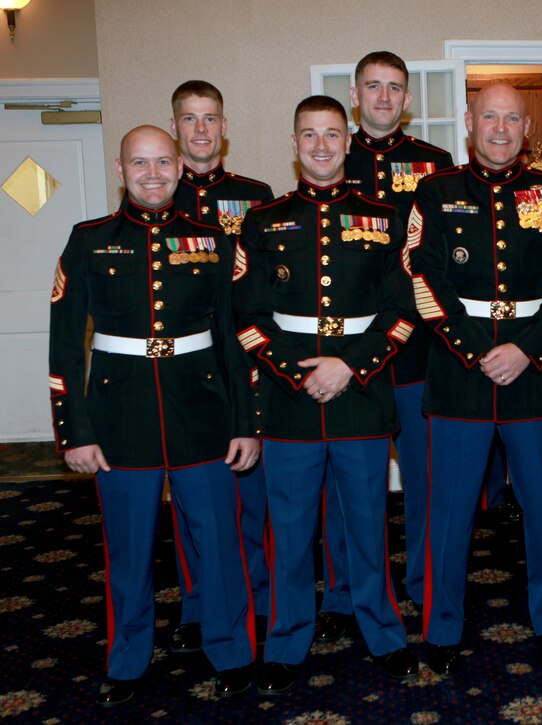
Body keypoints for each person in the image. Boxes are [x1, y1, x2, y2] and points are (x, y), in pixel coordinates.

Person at [48, 125, 258, 705]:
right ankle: (127, 658)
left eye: (163, 162)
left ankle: (231, 650)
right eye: (139, 163)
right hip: (120, 418)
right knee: (128, 549)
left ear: (180, 168)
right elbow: (65, 346)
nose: (152, 174)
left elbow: (232, 339)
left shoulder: (212, 240)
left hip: (203, 413)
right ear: (121, 170)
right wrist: (73, 430)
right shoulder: (89, 240)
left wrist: (246, 423)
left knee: (219, 543)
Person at [233, 95, 418, 694]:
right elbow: (248, 317)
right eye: (309, 134)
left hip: (361, 397)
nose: (320, 145)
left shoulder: (384, 218)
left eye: (331, 134)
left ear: (347, 142)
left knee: (367, 527)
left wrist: (348, 366)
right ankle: (287, 640)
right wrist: (298, 373)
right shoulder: (263, 221)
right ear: (294, 144)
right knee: (290, 532)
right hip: (288, 402)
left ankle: (384, 632)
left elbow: (402, 313)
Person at [405, 83, 542, 674]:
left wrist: (526, 350)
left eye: (512, 118)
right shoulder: (435, 192)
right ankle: (441, 627)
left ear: (526, 127)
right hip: (459, 375)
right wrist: (480, 351)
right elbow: (423, 278)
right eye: (491, 117)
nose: (501, 129)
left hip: (534, 373)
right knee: (448, 512)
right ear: (470, 121)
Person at [313, 52, 455, 642]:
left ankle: (424, 584)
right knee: (345, 488)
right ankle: (344, 590)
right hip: (348, 359)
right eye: (372, 86)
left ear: (407, 99)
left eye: (394, 87)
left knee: (426, 482)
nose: (383, 97)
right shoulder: (330, 155)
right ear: (355, 94)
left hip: (417, 352)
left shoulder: (435, 164)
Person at [166, 79, 275, 656]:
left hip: (247, 362)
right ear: (176, 127)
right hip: (186, 371)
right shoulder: (158, 195)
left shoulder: (256, 197)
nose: (201, 129)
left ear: (225, 127)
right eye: (190, 119)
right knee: (192, 500)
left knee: (252, 494)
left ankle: (258, 599)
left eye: (210, 118)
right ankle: (199, 602)